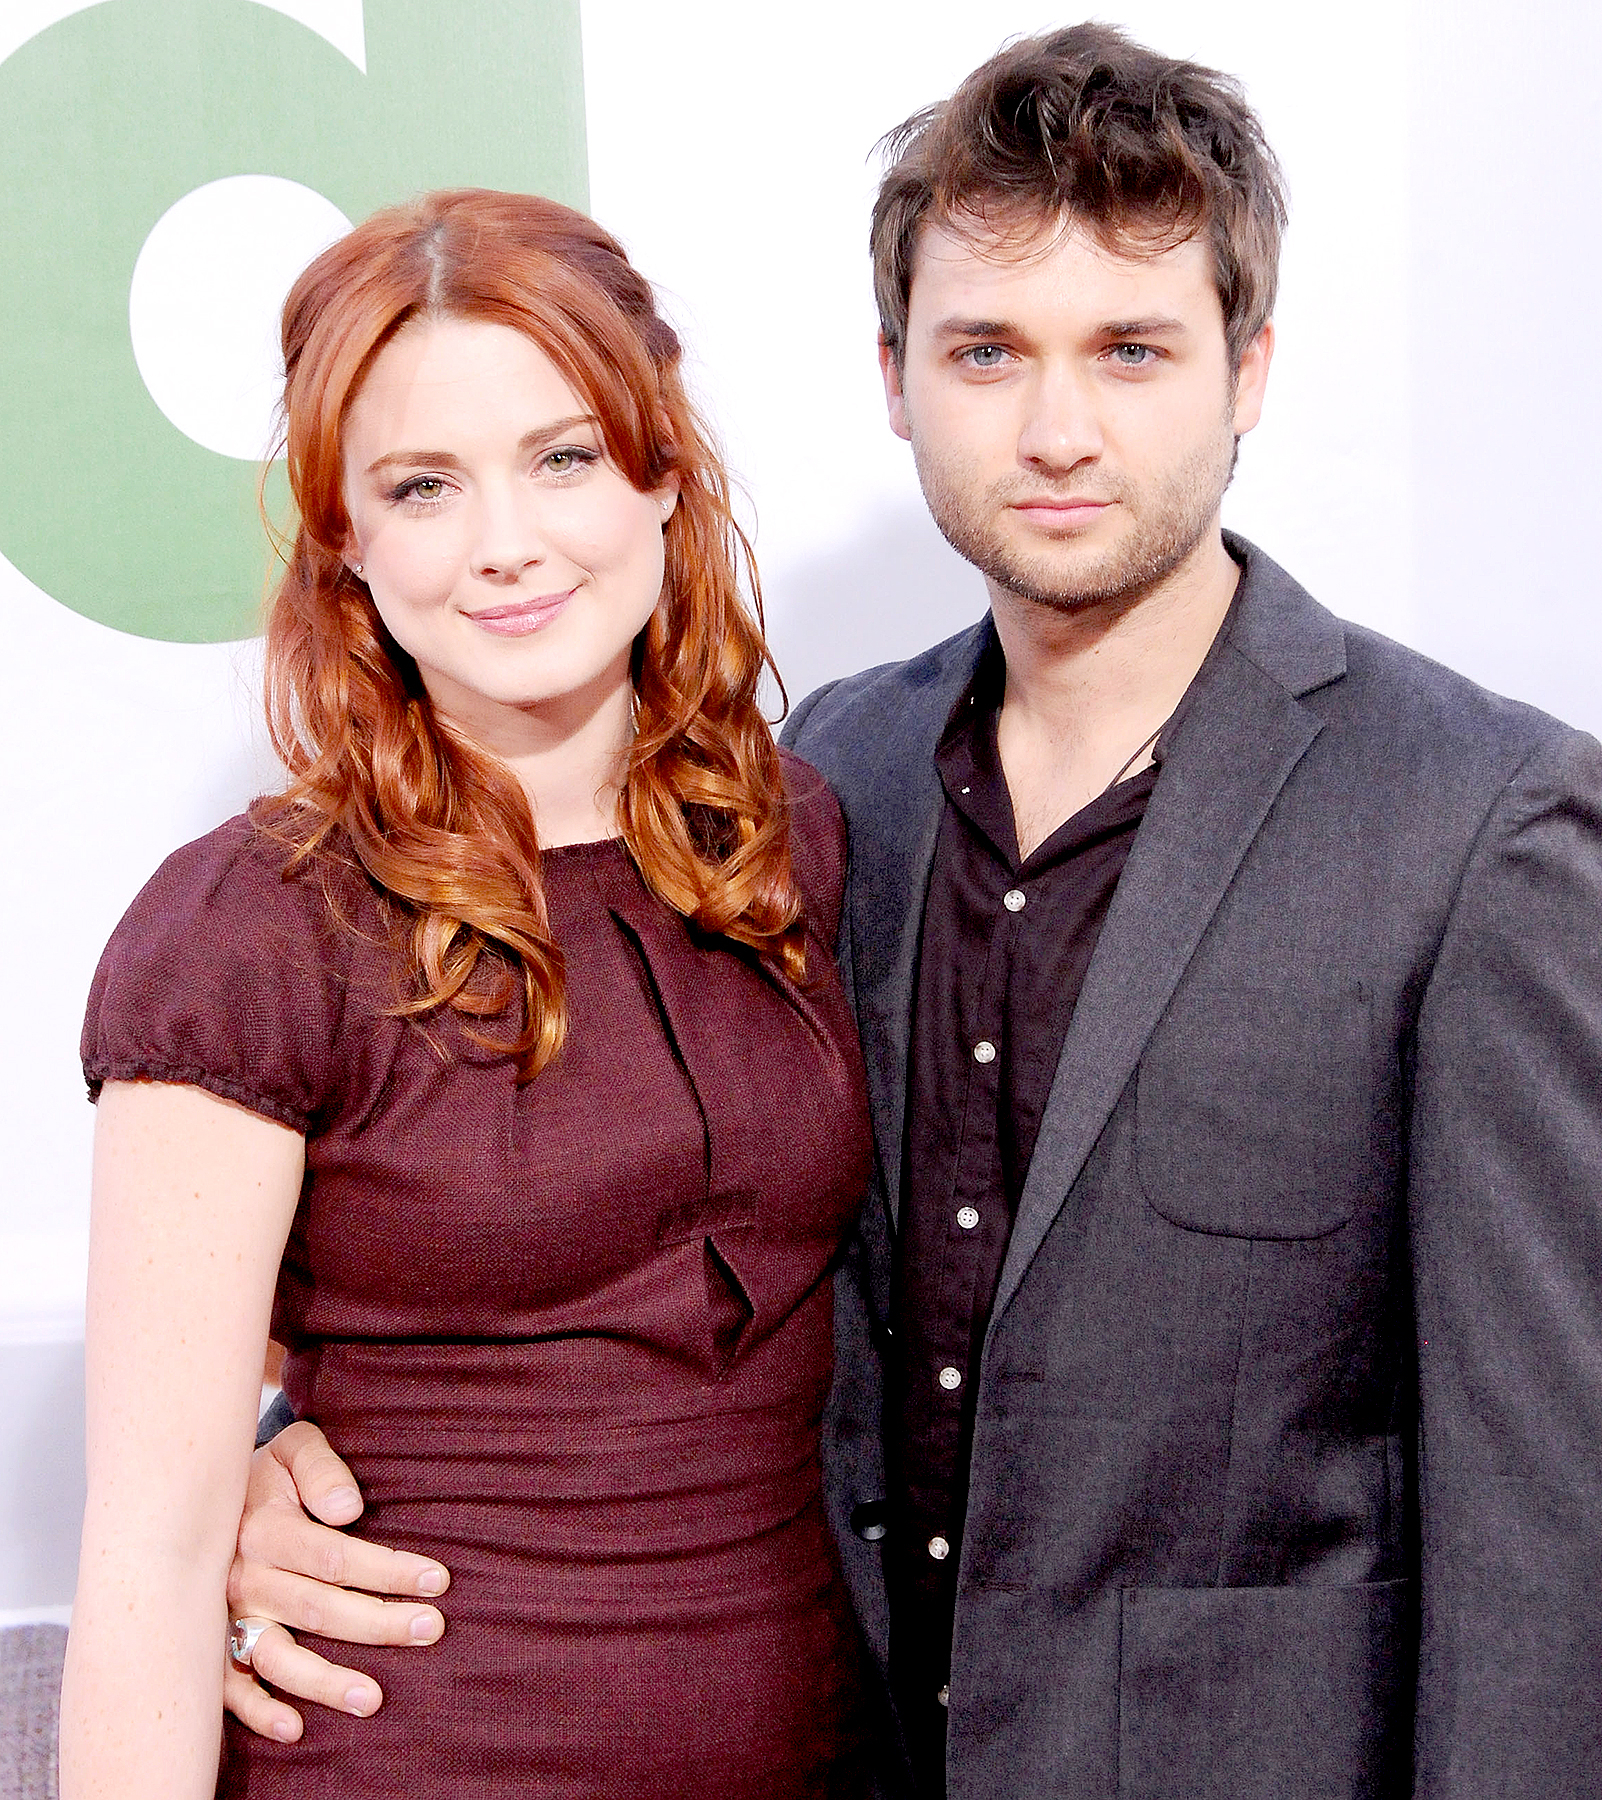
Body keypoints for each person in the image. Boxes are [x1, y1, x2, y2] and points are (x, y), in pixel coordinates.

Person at [220, 24, 1602, 1800]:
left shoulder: (1476, 821)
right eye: (984, 351)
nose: (1055, 428)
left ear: (1249, 369)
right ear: (891, 378)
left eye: (1130, 349)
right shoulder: (807, 792)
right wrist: (267, 1467)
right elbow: (607, 1237)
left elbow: (1543, 1520)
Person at [60, 187, 877, 1799]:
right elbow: (149, 1563)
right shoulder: (249, 932)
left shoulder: (793, 844)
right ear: (346, 543)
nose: (504, 541)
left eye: (562, 457)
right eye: (420, 486)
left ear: (658, 475)